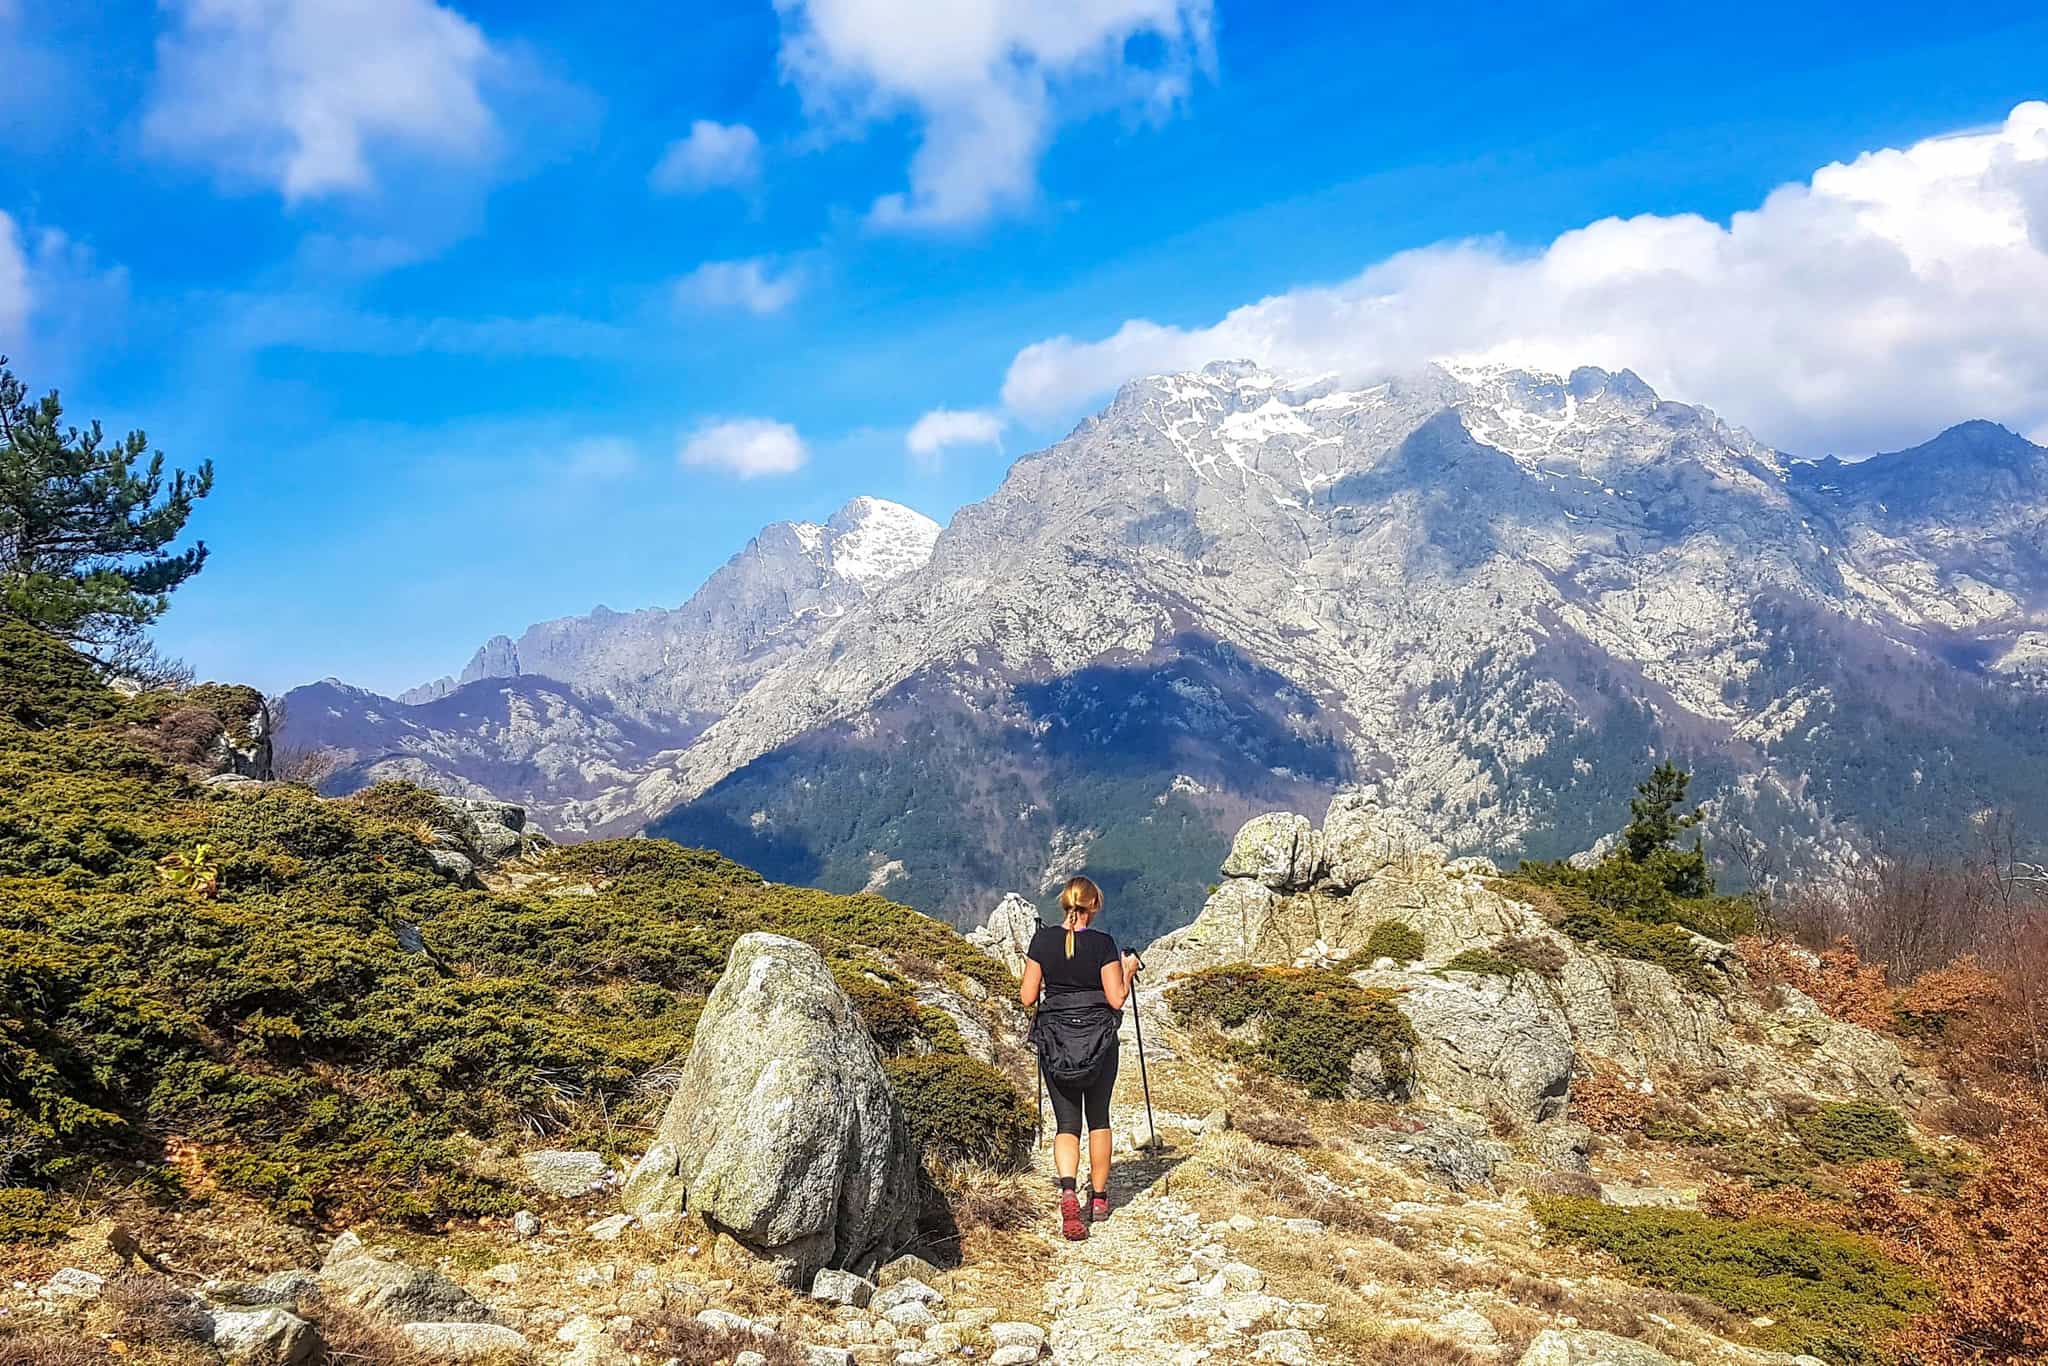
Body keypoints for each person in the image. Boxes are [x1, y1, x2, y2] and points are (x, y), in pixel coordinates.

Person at [1018, 874, 1141, 1240]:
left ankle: (1069, 1189)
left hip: (1056, 1040)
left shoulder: (1042, 940)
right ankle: (1100, 1199)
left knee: (1066, 1125)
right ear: (1094, 907)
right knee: (1099, 1119)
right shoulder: (1103, 944)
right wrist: (1129, 970)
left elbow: (1027, 997)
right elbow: (1117, 999)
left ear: (1064, 904)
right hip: (1099, 1040)